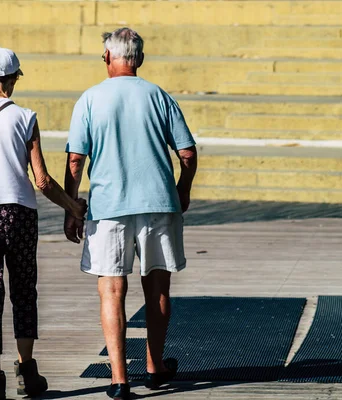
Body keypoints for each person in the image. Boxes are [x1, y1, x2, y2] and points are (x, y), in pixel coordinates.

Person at [63, 28, 198, 400]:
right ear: (139, 59)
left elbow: (76, 160)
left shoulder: (90, 99)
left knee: (111, 289)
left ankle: (120, 379)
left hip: (109, 208)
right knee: (157, 286)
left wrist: (72, 208)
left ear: (107, 57)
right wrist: (182, 189)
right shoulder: (159, 96)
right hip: (158, 203)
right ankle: (155, 368)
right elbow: (187, 153)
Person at [0, 47, 86, 400]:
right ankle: (26, 371)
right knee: (24, 289)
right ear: (13, 80)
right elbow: (41, 180)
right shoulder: (25, 117)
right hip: (18, 211)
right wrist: (73, 207)